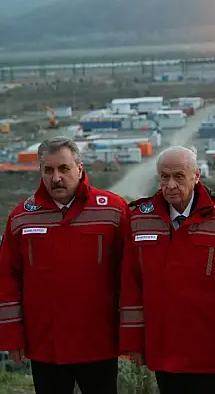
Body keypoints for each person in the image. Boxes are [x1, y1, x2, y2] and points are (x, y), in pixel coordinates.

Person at [0, 136, 128, 394]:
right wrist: (12, 336)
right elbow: (7, 280)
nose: (56, 177)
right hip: (46, 345)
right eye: (48, 170)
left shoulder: (113, 211)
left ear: (80, 168)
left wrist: (131, 333)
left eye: (64, 168)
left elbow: (130, 277)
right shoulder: (21, 217)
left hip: (99, 343)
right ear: (40, 172)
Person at [119, 146, 215, 394]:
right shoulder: (138, 219)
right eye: (164, 177)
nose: (170, 185)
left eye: (179, 176)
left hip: (212, 347)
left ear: (196, 176)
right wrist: (133, 340)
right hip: (163, 346)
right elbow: (131, 284)